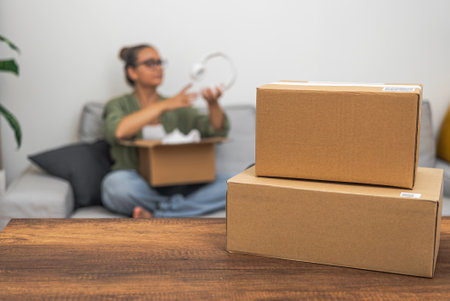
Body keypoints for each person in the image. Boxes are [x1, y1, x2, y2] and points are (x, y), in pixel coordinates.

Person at [101, 44, 230, 218]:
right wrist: (163, 106)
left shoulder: (176, 105)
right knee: (115, 186)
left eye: (160, 62)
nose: (158, 68)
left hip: (176, 183)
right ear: (132, 72)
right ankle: (178, 211)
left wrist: (213, 104)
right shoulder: (118, 105)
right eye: (150, 63)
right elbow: (119, 131)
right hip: (138, 183)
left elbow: (216, 131)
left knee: (233, 183)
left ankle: (161, 215)